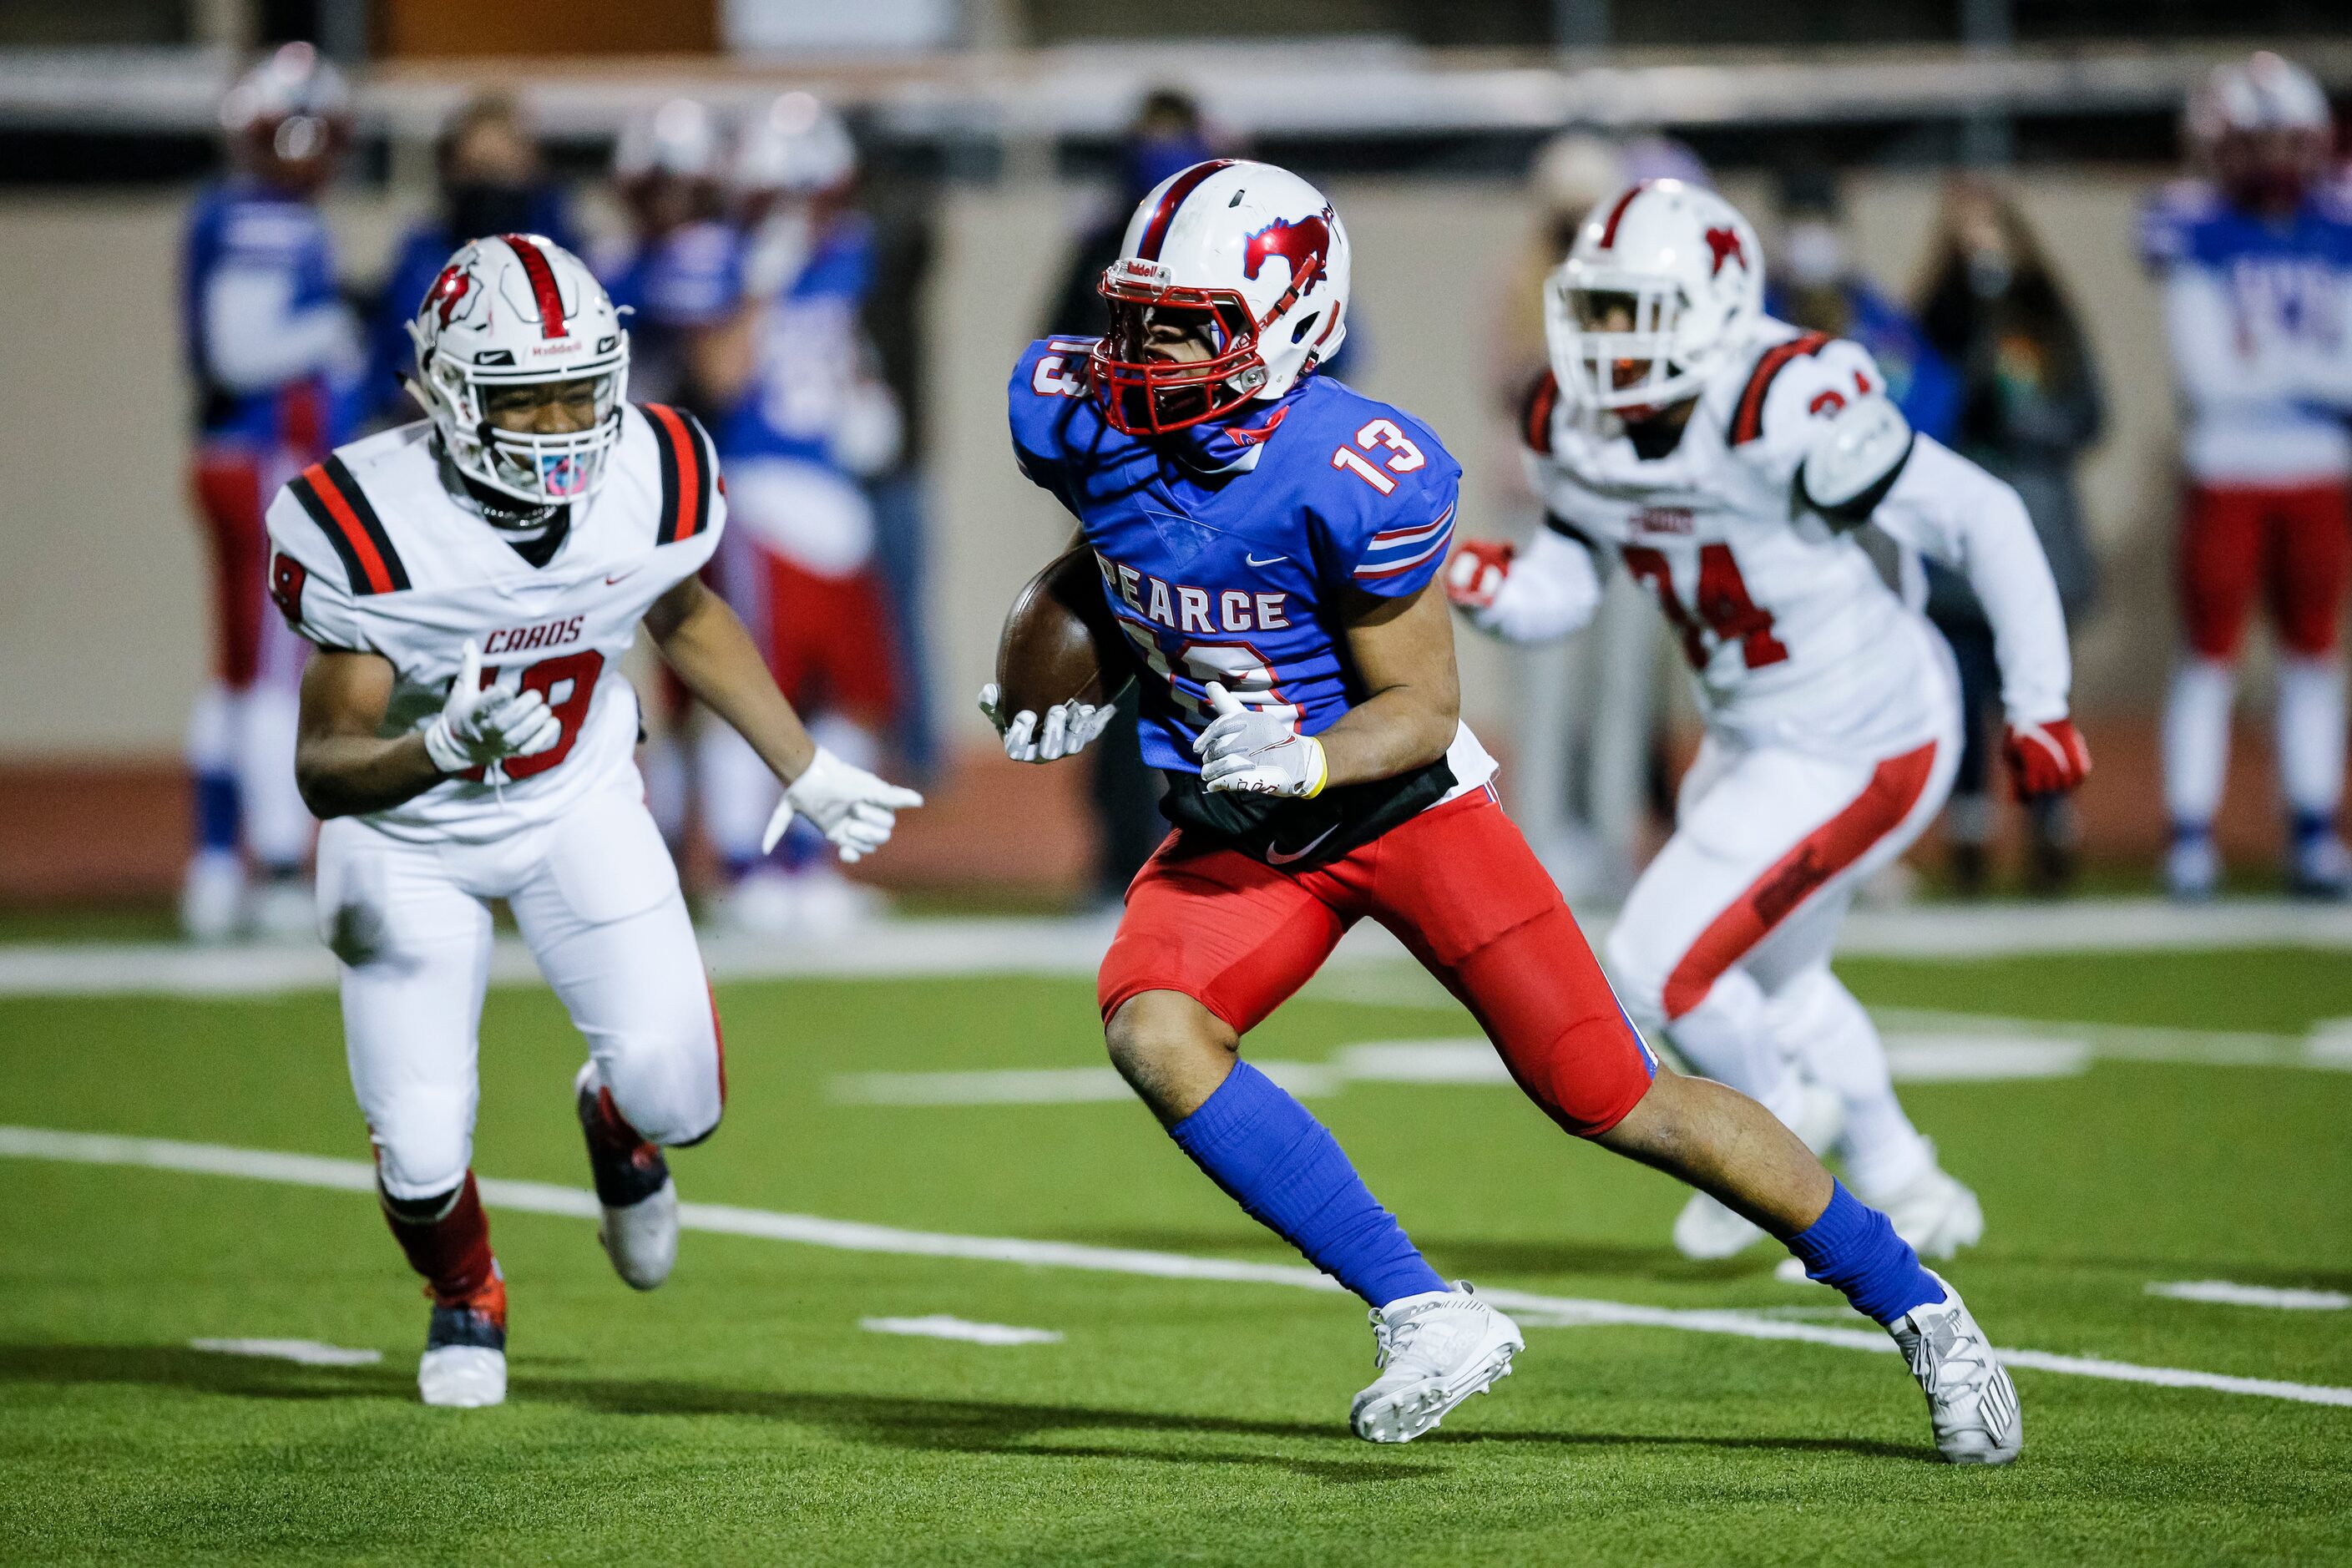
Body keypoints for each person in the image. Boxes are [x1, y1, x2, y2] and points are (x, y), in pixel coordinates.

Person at [988, 159, 2023, 1464]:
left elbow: (1415, 711)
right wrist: (1062, 647)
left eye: (1189, 322)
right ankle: (1423, 1311)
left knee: (1614, 1095)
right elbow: (1119, 547)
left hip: (1393, 806)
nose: (1145, 352)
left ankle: (1918, 1304)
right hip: (1242, 830)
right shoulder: (1071, 408)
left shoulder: (1353, 468)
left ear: (1292, 319)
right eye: (1139, 316)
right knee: (1155, 1031)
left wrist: (1303, 759)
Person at [266, 235, 921, 1408]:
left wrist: (802, 764)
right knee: (419, 1150)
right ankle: (467, 1291)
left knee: (684, 1094)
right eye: (529, 399)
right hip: (408, 840)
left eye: (583, 388)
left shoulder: (654, 467)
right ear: (453, 395)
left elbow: (682, 611)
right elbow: (323, 766)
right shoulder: (369, 521)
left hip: (573, 797)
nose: (567, 422)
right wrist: (436, 747)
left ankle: (616, 1124)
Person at [1448, 180, 2087, 1271]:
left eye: (1634, 310)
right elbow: (1569, 574)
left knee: (1655, 967)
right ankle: (1907, 1181)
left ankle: (1778, 1127)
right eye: (1596, 308)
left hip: (1863, 734)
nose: (1607, 338)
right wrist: (1491, 588)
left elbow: (1982, 513)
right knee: (1780, 977)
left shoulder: (1782, 398)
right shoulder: (1575, 421)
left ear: (1717, 307)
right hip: (1751, 740)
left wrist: (2036, 700)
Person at [693, 93, 908, 934]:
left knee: (854, 697)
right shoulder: (727, 261)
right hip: (760, 495)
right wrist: (760, 284)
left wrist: (867, 396)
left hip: (836, 503)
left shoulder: (847, 254)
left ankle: (811, 858)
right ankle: (747, 864)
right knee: (757, 689)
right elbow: (720, 378)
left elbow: (843, 353)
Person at [2145, 52, 2352, 899]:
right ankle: (2189, 832)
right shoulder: (2191, 223)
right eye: (2255, 140)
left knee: (2312, 654)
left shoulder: (2335, 222)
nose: (2271, 160)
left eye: (2283, 139)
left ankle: (2312, 825)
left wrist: (2276, 376)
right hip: (2228, 467)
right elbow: (2208, 377)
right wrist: (2307, 380)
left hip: (2313, 471)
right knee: (2211, 656)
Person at [179, 43, 359, 941]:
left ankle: (216, 860)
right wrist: (333, 328)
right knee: (278, 666)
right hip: (262, 456)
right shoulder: (264, 217)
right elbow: (242, 351)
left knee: (241, 667)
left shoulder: (234, 210)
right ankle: (281, 867)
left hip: (230, 452)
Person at [1916, 176, 2105, 894]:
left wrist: (2024, 421)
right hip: (1956, 553)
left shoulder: (2048, 320)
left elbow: (2088, 413)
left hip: (2036, 532)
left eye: (1991, 232)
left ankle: (2051, 827)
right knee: (1962, 698)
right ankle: (1969, 834)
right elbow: (1914, 411)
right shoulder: (1936, 321)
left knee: (2036, 685)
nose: (1980, 251)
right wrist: (1968, 370)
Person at [363, 94, 575, 431]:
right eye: (476, 170)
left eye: (501, 171)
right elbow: (386, 368)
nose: (488, 186)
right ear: (450, 167)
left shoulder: (562, 255)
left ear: (531, 167)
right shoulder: (421, 258)